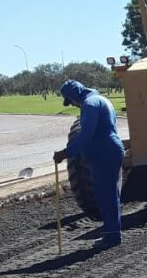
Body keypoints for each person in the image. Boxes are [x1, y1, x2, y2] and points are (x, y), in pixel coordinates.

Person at [53, 79, 126, 249]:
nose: (73, 104)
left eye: (70, 101)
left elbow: (86, 134)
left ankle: (112, 236)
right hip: (111, 149)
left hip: (105, 152)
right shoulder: (102, 100)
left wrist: (66, 153)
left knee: (105, 195)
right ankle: (112, 233)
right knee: (110, 194)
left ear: (73, 96)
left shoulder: (90, 104)